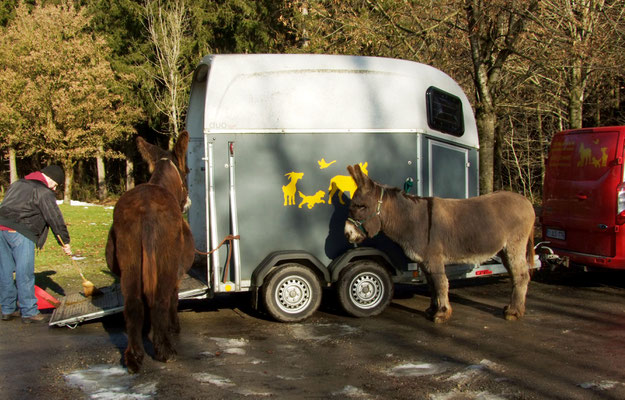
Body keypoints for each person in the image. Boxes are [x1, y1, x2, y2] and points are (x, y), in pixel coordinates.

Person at [0, 165, 72, 323]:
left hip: (1, 228)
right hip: (21, 231)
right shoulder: (43, 191)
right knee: (24, 271)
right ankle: (29, 312)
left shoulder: (17, 184)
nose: (54, 188)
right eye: (56, 184)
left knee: (4, 271)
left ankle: (7, 309)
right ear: (51, 179)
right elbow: (54, 217)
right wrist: (65, 242)